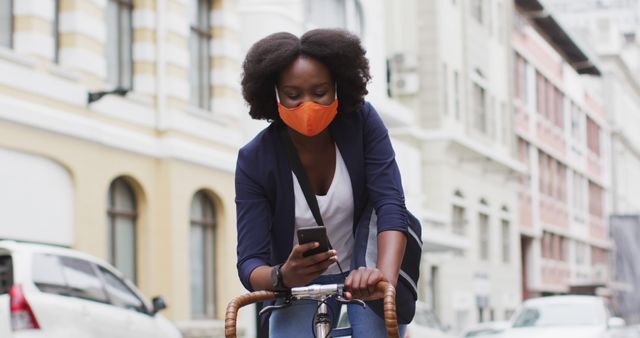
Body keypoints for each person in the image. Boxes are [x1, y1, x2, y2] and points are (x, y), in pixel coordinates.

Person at [235, 28, 410, 338]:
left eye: (320, 93)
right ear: (273, 93)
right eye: (293, 94)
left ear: (338, 88)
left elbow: (391, 205)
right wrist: (282, 275)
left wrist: (383, 278)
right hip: (297, 284)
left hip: (365, 269)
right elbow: (249, 262)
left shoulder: (362, 124)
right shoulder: (254, 160)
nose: (308, 105)